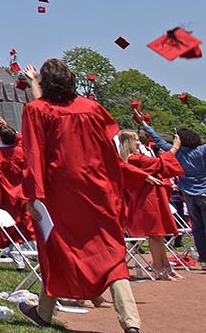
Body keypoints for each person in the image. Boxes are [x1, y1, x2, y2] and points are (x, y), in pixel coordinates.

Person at [19, 59, 148, 333]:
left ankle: (43, 313)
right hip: (97, 188)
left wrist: (34, 195)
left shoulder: (36, 110)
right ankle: (131, 322)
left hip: (60, 192)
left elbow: (34, 153)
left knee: (58, 248)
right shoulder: (91, 108)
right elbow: (109, 148)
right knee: (110, 250)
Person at [139, 118, 205, 270]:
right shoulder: (201, 151)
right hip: (204, 192)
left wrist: (145, 125)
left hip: (188, 194)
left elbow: (157, 139)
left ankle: (204, 259)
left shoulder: (176, 153)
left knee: (198, 229)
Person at [117, 130, 183, 279]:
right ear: (129, 142)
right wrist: (175, 147)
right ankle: (159, 268)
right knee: (155, 234)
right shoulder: (134, 159)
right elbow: (159, 163)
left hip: (153, 197)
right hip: (147, 200)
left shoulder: (134, 158)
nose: (139, 143)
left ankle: (165, 266)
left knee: (159, 234)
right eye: (136, 140)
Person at [0, 122, 32, 247]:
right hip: (23, 193)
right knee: (26, 221)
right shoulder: (22, 152)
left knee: (9, 222)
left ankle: (15, 253)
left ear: (0, 137)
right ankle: (32, 248)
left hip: (5, 194)